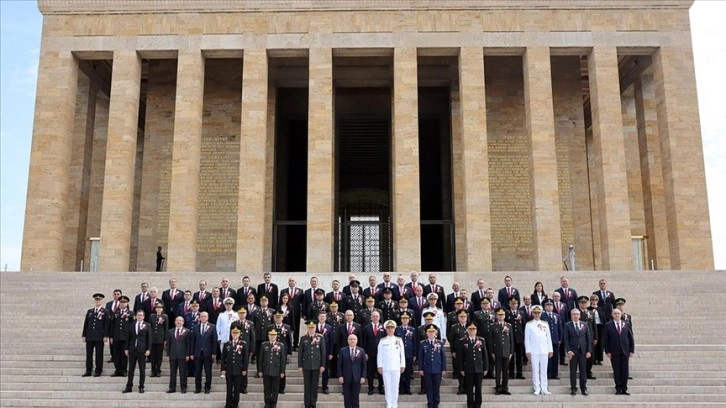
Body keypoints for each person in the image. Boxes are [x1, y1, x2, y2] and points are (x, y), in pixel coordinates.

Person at [602, 309, 635, 395]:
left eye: (618, 313)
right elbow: (605, 339)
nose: (617, 315)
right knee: (616, 370)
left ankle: (624, 388)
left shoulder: (626, 324)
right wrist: (607, 351)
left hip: (625, 350)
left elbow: (631, 337)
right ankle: (618, 388)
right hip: (614, 351)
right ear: (612, 315)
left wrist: (631, 350)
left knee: (625, 370)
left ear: (621, 315)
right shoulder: (608, 325)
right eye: (615, 313)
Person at [458, 323, 488, 408]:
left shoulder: (481, 340)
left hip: (479, 368)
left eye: (474, 329)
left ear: (476, 330)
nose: (472, 331)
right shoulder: (463, 341)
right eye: (470, 329)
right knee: (469, 388)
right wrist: (461, 368)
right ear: (467, 330)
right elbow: (460, 356)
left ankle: (478, 404)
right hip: (468, 368)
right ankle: (470, 404)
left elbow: (484, 355)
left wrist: (485, 367)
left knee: (478, 388)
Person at [524, 305, 553, 395]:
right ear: (532, 313)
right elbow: (527, 338)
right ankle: (537, 388)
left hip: (544, 350)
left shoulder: (545, 324)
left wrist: (550, 349)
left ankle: (544, 388)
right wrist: (528, 350)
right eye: (535, 313)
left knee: (544, 370)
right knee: (535, 370)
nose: (537, 314)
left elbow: (548, 337)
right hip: (534, 350)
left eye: (538, 313)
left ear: (541, 313)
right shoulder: (529, 324)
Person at [378, 320, 406, 408]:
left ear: (394, 329)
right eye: (388, 328)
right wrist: (379, 366)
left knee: (395, 386)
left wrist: (402, 365)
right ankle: (389, 402)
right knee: (387, 385)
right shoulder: (382, 341)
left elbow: (402, 354)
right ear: (386, 329)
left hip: (396, 366)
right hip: (386, 367)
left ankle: (394, 402)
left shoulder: (399, 340)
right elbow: (379, 354)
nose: (390, 330)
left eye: (392, 328)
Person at [298, 321, 326, 408]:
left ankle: (313, 403)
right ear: (307, 328)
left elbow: (323, 353)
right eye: (309, 328)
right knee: (307, 386)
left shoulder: (320, 338)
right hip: (306, 365)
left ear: (315, 328)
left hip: (316, 365)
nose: (311, 329)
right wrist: (300, 366)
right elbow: (300, 353)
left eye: (313, 327)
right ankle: (307, 404)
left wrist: (322, 365)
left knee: (314, 386)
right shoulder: (303, 338)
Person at [564, 308, 592, 396]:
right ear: (571, 316)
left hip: (583, 352)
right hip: (573, 352)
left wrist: (588, 351)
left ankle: (583, 388)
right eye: (574, 314)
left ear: (579, 315)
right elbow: (566, 339)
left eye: (577, 314)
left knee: (583, 371)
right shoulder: (567, 325)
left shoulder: (584, 324)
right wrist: (568, 350)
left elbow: (588, 338)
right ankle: (573, 388)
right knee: (573, 371)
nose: (575, 316)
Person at [123, 310, 151, 394]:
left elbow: (149, 338)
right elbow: (128, 337)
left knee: (142, 369)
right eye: (138, 315)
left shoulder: (147, 325)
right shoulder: (131, 325)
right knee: (131, 369)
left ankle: (141, 386)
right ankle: (129, 386)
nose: (139, 317)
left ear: (143, 316)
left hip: (142, 351)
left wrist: (148, 349)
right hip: (132, 350)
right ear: (136, 316)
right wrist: (126, 348)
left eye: (141, 315)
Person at [221, 326, 249, 408]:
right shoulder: (227, 344)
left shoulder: (243, 344)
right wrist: (223, 368)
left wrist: (244, 369)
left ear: (240, 334)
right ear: (231, 333)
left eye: (237, 333)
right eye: (233, 333)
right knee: (229, 388)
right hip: (229, 369)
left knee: (237, 388)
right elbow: (223, 358)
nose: (235, 334)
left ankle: (235, 404)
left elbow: (245, 358)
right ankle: (228, 403)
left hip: (238, 369)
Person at [82, 293, 109, 377]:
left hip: (99, 336)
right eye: (96, 300)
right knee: (89, 354)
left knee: (99, 354)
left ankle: (98, 370)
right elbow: (86, 324)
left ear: (102, 301)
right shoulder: (90, 311)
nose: (98, 301)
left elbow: (106, 324)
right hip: (90, 336)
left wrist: (105, 335)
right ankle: (88, 370)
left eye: (99, 300)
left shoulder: (105, 312)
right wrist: (84, 335)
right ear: (94, 301)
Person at [418, 326, 446, 408]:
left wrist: (443, 368)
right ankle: (430, 403)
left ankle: (436, 403)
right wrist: (420, 368)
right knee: (429, 387)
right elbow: (421, 357)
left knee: (436, 387)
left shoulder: (440, 343)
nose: (431, 333)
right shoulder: (423, 343)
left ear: (435, 333)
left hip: (437, 369)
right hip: (427, 369)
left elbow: (443, 357)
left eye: (433, 332)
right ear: (426, 333)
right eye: (429, 332)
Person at [258, 328, 286, 408]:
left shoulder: (281, 345)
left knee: (275, 387)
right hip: (266, 369)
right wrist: (260, 370)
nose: (272, 337)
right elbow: (261, 359)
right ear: (268, 336)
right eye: (271, 335)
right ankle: (267, 402)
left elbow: (282, 359)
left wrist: (282, 371)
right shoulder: (264, 345)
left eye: (274, 335)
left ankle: (273, 402)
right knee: (266, 387)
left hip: (276, 370)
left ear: (276, 336)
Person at [488, 307, 513, 395]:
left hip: (506, 351)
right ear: (496, 315)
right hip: (497, 351)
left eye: (502, 315)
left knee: (506, 371)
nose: (501, 316)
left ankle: (505, 387)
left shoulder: (509, 325)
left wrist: (511, 352)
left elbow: (511, 340)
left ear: (505, 316)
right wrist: (492, 352)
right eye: (499, 315)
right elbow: (490, 340)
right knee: (498, 371)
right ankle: (498, 387)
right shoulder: (493, 326)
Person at [191, 311, 217, 394]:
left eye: (205, 316)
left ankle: (207, 387)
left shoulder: (212, 327)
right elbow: (193, 341)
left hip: (208, 353)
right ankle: (198, 387)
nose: (203, 318)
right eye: (201, 316)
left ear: (207, 317)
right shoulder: (195, 327)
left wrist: (214, 353)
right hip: (197, 353)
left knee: (208, 371)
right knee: (197, 371)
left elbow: (214, 341)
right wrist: (191, 353)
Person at [338, 334, 366, 408]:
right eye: (350, 339)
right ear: (347, 341)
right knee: (346, 397)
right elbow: (339, 365)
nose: (352, 340)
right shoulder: (342, 350)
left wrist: (363, 376)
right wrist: (340, 376)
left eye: (354, 339)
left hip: (357, 377)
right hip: (346, 377)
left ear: (357, 341)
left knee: (355, 397)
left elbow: (364, 365)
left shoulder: (361, 351)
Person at [362, 310, 385, 395]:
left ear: (379, 317)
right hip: (370, 354)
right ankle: (370, 387)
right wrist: (365, 353)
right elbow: (364, 341)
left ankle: (380, 387)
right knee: (370, 372)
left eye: (377, 316)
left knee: (380, 372)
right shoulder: (366, 327)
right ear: (371, 317)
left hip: (381, 354)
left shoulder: (383, 327)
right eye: (374, 316)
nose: (375, 318)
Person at [166, 316, 191, 393]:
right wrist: (168, 355)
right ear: (174, 322)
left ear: (183, 322)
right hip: (173, 355)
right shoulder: (170, 331)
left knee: (183, 372)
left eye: (180, 320)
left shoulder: (187, 331)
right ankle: (172, 388)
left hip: (182, 355)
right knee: (172, 372)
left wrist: (187, 354)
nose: (178, 322)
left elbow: (188, 344)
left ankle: (183, 387)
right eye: (177, 320)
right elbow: (168, 344)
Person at [270, 311, 293, 394]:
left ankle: (281, 387)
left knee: (282, 370)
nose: (278, 319)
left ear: (282, 318)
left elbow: (289, 341)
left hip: (283, 352)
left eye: (279, 317)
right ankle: (274, 387)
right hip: (273, 351)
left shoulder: (287, 327)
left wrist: (289, 353)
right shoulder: (270, 327)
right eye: (276, 317)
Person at [394, 313, 417, 395]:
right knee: (400, 372)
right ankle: (401, 388)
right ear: (401, 320)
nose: (404, 320)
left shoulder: (412, 330)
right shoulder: (397, 329)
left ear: (409, 319)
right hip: (399, 354)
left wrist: (415, 354)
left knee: (408, 372)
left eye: (406, 318)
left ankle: (407, 388)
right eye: (403, 318)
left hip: (409, 353)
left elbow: (414, 342)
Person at [110, 295, 133, 377]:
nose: (123, 304)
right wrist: (111, 336)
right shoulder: (116, 313)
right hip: (116, 337)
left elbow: (132, 326)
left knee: (124, 355)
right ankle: (117, 370)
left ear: (127, 303)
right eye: (121, 302)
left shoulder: (131, 313)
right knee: (116, 355)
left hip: (125, 337)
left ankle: (124, 370)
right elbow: (112, 325)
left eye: (124, 302)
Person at [279, 277, 303, 349]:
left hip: (296, 313)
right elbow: (280, 301)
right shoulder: (283, 291)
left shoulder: (300, 291)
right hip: (285, 314)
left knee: (296, 329)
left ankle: (295, 344)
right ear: (288, 282)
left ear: (295, 282)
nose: (291, 282)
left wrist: (302, 313)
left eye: (293, 281)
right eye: (290, 281)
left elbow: (302, 302)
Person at [542, 299, 563, 380]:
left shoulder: (556, 316)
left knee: (555, 357)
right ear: (545, 307)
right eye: (547, 305)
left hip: (555, 339)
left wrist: (560, 338)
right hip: (546, 340)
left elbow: (559, 328)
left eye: (551, 305)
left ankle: (555, 373)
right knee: (547, 357)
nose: (549, 307)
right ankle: (548, 373)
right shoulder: (542, 316)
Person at [505, 297, 525, 379]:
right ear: (509, 304)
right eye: (512, 303)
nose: (514, 305)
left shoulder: (521, 313)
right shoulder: (507, 313)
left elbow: (523, 325)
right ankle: (511, 373)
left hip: (519, 338)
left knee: (519, 357)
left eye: (515, 303)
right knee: (511, 357)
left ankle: (519, 373)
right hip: (510, 338)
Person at [315, 310, 334, 394]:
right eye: (321, 316)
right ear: (318, 317)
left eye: (323, 316)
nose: (322, 318)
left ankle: (325, 387)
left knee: (325, 371)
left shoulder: (329, 327)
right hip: (315, 352)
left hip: (325, 352)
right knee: (315, 370)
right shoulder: (314, 326)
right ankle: (315, 386)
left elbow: (331, 341)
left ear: (326, 318)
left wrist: (330, 353)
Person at [149, 302, 168, 377]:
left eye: (160, 308)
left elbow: (166, 328)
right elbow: (150, 327)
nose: (159, 309)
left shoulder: (165, 316)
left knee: (159, 356)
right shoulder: (152, 316)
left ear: (162, 309)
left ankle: (158, 370)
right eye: (157, 308)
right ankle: (153, 370)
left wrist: (165, 339)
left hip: (160, 338)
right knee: (153, 356)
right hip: (153, 338)